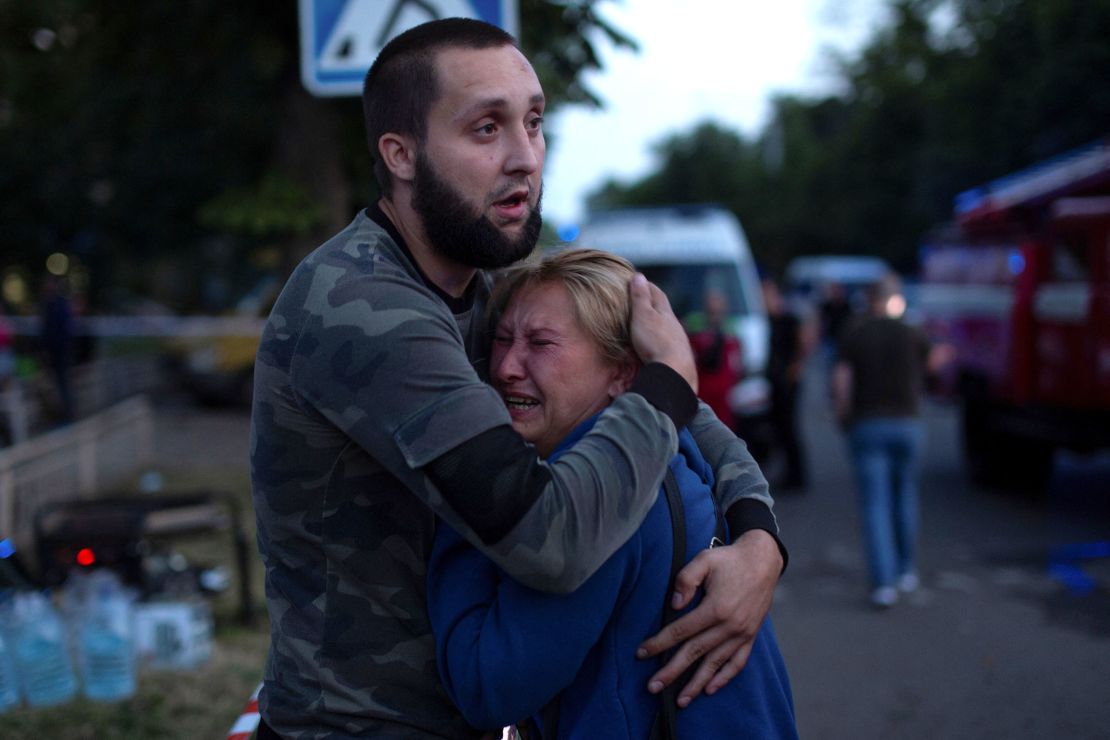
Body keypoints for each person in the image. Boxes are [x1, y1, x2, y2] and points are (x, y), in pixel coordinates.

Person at [250, 19, 785, 738]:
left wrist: (759, 542)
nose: (526, 158)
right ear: (401, 154)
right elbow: (550, 539)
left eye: (534, 122)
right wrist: (664, 382)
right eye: (486, 129)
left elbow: (689, 416)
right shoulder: (364, 307)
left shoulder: (499, 277)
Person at [428, 249, 798, 739]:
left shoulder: (604, 494)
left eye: (540, 343)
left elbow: (488, 686)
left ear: (624, 373)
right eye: (501, 340)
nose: (505, 368)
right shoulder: (671, 449)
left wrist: (465, 500)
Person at [831, 273, 951, 608]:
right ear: (895, 298)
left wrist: (843, 415)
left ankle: (883, 584)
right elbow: (932, 364)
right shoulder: (912, 331)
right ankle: (905, 570)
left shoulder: (855, 332)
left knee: (875, 504)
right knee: (905, 496)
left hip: (868, 425)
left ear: (870, 299)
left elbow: (842, 379)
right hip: (907, 424)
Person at [762, 276, 815, 491]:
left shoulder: (788, 320)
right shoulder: (765, 320)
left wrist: (795, 366)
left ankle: (797, 476)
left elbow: (803, 344)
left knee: (789, 427)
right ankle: (791, 474)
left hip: (787, 380)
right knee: (782, 428)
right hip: (776, 379)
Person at [686, 288, 743, 429]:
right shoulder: (695, 326)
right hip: (703, 389)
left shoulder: (731, 328)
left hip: (722, 392)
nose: (715, 308)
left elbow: (736, 362)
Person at [38, 275, 75, 424]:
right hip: (52, 353)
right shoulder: (47, 305)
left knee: (63, 384)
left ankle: (67, 415)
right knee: (56, 385)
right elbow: (46, 330)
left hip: (60, 352)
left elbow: (62, 330)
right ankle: (60, 415)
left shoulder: (60, 305)